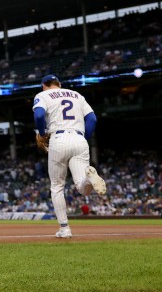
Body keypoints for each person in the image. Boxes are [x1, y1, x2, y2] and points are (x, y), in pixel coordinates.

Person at [32, 74, 106, 239]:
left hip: (58, 139)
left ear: (44, 84)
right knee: (81, 187)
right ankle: (89, 180)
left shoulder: (42, 95)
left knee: (57, 186)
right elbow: (92, 119)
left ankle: (64, 229)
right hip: (80, 139)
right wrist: (82, 138)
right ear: (59, 84)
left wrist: (42, 133)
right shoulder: (77, 95)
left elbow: (38, 116)